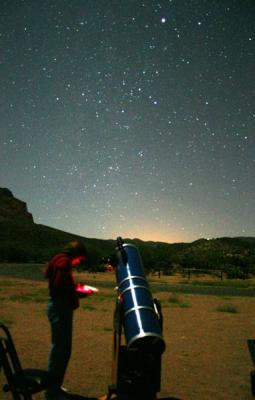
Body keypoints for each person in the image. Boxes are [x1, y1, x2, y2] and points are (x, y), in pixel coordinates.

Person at [44, 241, 87, 400]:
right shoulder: (64, 262)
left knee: (58, 349)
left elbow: (57, 282)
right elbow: (59, 285)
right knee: (61, 350)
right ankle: (53, 390)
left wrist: (74, 289)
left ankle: (53, 386)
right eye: (80, 259)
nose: (78, 262)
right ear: (75, 254)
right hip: (60, 308)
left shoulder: (57, 259)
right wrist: (75, 294)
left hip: (56, 306)